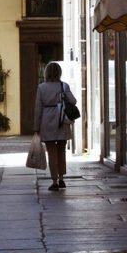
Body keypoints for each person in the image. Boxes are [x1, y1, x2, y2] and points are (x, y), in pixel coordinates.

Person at [33, 61, 77, 191]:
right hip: (62, 120)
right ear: (59, 73)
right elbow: (73, 101)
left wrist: (36, 127)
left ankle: (54, 181)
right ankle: (62, 178)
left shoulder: (41, 88)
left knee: (51, 152)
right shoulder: (64, 86)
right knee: (61, 151)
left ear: (46, 73)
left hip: (47, 121)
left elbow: (38, 109)